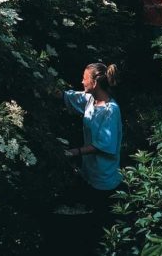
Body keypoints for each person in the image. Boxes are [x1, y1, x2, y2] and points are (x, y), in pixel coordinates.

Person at [62, 63, 122, 220]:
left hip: (104, 176)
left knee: (101, 218)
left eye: (84, 78)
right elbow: (67, 96)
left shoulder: (111, 110)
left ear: (94, 83)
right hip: (90, 170)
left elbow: (104, 144)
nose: (82, 82)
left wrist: (74, 152)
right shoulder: (90, 99)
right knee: (90, 213)